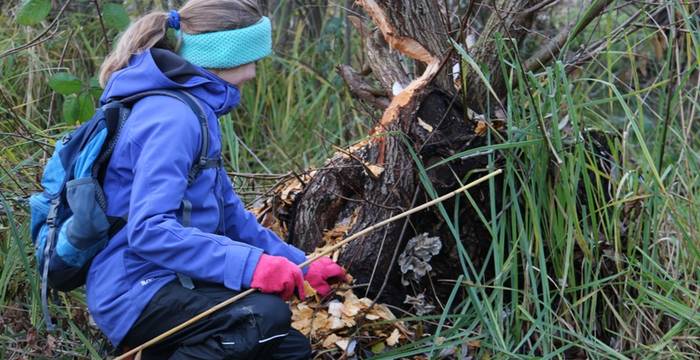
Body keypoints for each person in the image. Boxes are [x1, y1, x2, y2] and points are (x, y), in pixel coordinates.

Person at [89, 0, 347, 358]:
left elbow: (231, 219)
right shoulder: (172, 119)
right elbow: (150, 230)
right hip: (135, 288)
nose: (253, 73)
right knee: (263, 317)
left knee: (289, 350)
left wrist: (302, 265)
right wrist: (254, 266)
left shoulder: (195, 112)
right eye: (249, 58)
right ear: (221, 54)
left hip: (175, 278)